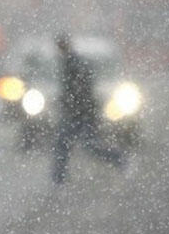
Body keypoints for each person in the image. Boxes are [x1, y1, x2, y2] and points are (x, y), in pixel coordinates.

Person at [51, 33, 125, 184]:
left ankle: (118, 159)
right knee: (68, 145)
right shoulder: (69, 63)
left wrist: (72, 103)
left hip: (81, 113)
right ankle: (58, 178)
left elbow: (80, 90)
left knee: (86, 145)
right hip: (78, 113)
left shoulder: (73, 64)